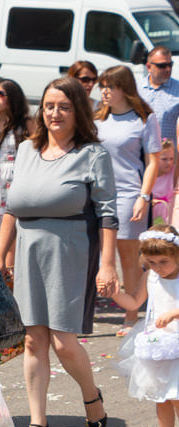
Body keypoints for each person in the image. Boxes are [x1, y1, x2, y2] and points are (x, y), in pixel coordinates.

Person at [0, 77, 117, 427]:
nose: (54, 113)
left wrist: (108, 266)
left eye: (64, 106)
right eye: (49, 106)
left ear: (78, 110)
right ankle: (38, 423)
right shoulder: (28, 149)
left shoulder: (92, 154)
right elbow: (12, 207)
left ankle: (91, 396)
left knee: (64, 343)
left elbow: (109, 215)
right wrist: (0, 254)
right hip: (29, 249)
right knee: (34, 339)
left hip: (71, 251)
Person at [95, 65, 161, 336]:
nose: (105, 91)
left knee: (127, 258)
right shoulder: (98, 118)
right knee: (97, 256)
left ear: (125, 88)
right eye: (103, 86)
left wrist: (143, 197)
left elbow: (153, 162)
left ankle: (131, 314)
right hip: (96, 196)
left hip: (128, 195)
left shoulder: (144, 119)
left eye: (111, 86)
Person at [111, 225, 179, 427]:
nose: (158, 268)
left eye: (163, 261)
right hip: (158, 345)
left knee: (177, 394)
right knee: (161, 396)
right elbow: (133, 303)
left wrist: (174, 313)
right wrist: (114, 293)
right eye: (152, 262)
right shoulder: (150, 277)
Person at [0, 79, 33, 238]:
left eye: (1, 94)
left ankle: (9, 263)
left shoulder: (26, 123)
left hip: (18, 178)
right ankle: (1, 262)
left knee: (13, 228)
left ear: (13, 98)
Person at [138, 46, 179, 148]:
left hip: (167, 158)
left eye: (170, 65)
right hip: (140, 153)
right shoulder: (136, 89)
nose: (168, 69)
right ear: (148, 67)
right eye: (162, 66)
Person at [152, 139, 176, 225]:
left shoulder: (174, 172)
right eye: (164, 159)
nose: (169, 162)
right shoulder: (149, 175)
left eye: (171, 159)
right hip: (152, 214)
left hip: (169, 213)